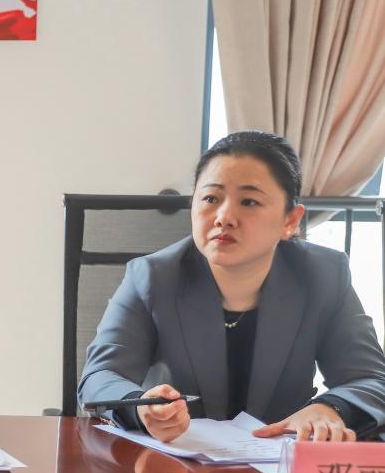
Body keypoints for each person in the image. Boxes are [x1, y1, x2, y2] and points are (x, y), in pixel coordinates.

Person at [78, 130, 385, 443]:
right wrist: (142, 409)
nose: (224, 217)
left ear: (290, 221)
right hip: (175, 462)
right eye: (211, 199)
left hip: (280, 463)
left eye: (249, 201)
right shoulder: (153, 276)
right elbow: (99, 376)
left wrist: (330, 408)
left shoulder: (323, 274)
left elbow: (371, 378)